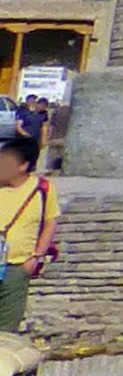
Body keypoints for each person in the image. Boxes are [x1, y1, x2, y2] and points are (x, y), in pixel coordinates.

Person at [0, 126, 55, 337]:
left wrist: (36, 257)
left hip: (17, 266)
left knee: (6, 328)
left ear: (23, 166)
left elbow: (50, 222)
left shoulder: (42, 188)